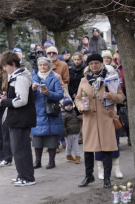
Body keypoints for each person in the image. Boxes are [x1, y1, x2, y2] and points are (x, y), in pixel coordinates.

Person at [75, 53, 124, 187]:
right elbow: (78, 98)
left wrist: (112, 96)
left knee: (106, 149)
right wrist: (80, 107)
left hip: (106, 119)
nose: (94, 66)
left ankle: (107, 179)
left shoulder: (111, 79)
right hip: (89, 119)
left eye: (96, 63)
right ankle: (88, 176)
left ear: (101, 64)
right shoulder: (84, 80)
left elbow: (121, 97)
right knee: (89, 150)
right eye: (91, 64)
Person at [0, 51, 36, 186]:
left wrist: (3, 102)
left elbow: (21, 100)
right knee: (17, 149)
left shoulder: (20, 77)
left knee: (21, 149)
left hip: (21, 118)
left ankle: (27, 177)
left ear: (13, 64)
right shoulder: (16, 77)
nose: (4, 69)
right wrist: (7, 97)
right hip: (17, 118)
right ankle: (21, 175)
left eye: (5, 66)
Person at [30, 57, 64, 169]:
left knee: (52, 140)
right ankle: (37, 161)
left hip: (51, 113)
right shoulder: (33, 79)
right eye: (40, 65)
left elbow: (60, 95)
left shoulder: (54, 78)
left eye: (45, 65)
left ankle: (51, 161)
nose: (43, 67)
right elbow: (27, 97)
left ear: (49, 66)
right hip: (38, 112)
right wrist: (33, 90)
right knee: (37, 140)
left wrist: (49, 93)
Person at [61, 99, 82, 163]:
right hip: (68, 133)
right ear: (64, 106)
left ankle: (77, 157)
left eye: (70, 105)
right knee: (68, 146)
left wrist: (79, 118)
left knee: (75, 146)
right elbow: (62, 125)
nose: (69, 106)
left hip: (75, 132)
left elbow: (75, 119)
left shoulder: (74, 112)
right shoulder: (63, 114)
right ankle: (68, 156)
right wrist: (64, 133)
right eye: (67, 105)